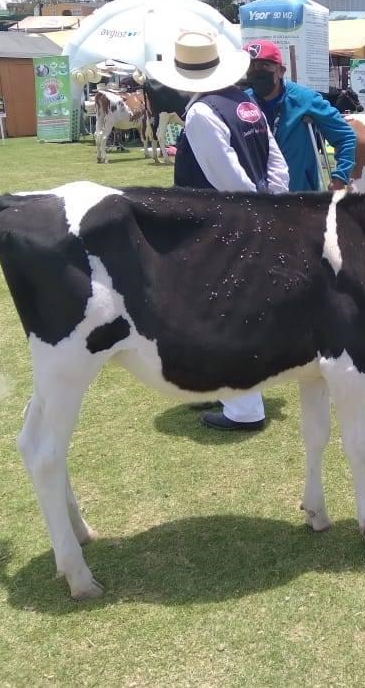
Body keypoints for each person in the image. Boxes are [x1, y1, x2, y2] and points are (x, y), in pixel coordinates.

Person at [148, 30, 290, 432]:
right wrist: (271, 204)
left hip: (220, 225)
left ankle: (244, 406)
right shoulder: (245, 104)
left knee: (225, 311)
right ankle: (225, 387)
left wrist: (253, 209)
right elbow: (277, 164)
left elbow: (225, 178)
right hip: (252, 216)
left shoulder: (201, 113)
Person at [242, 40, 357, 193]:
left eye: (264, 65)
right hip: (258, 199)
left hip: (299, 198)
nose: (256, 71)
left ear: (281, 71)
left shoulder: (305, 99)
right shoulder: (243, 104)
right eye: (251, 66)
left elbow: (345, 136)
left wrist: (340, 178)